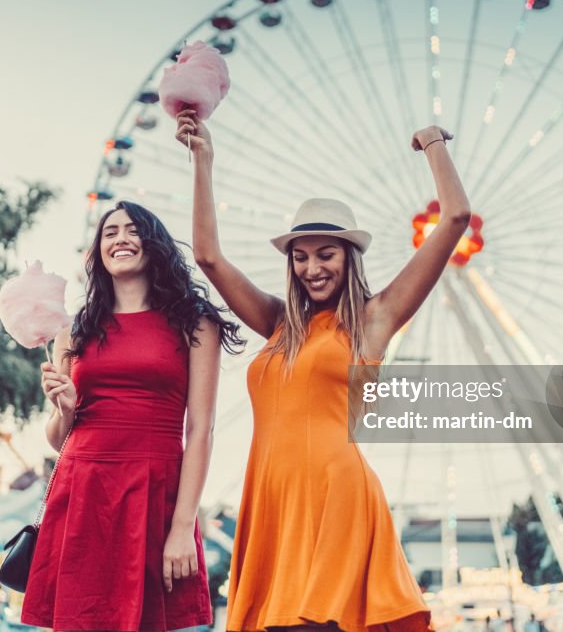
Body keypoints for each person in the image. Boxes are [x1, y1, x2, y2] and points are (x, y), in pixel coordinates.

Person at [178, 109, 470, 632]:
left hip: (337, 494)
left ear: (349, 257)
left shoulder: (373, 320)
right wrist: (203, 158)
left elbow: (454, 219)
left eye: (326, 254)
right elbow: (208, 257)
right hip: (272, 497)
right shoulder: (277, 324)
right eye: (301, 256)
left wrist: (432, 144)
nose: (312, 268)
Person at [20, 200, 245, 631]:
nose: (120, 239)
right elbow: (57, 438)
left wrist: (183, 527)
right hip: (83, 489)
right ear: (98, 251)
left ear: (153, 242)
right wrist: (64, 410)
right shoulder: (74, 330)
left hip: (153, 491)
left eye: (131, 230)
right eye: (109, 232)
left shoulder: (195, 324)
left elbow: (200, 430)